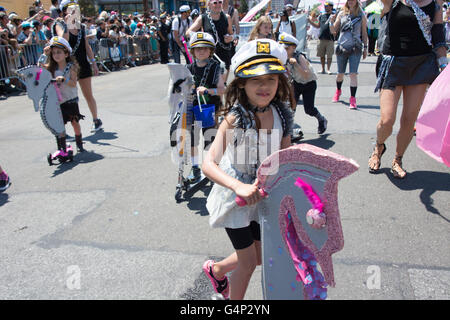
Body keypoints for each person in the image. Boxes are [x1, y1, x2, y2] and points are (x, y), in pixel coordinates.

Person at [201, 39, 294, 300]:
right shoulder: (235, 118)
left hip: (264, 197)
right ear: (241, 83)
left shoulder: (283, 115)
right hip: (236, 199)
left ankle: (216, 269)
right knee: (249, 262)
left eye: (271, 80)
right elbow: (209, 163)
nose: (265, 87)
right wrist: (238, 186)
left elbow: (285, 159)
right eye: (256, 80)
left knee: (260, 256)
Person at [368, 0, 448, 179]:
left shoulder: (435, 4)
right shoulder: (394, 1)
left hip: (420, 65)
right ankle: (379, 146)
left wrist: (443, 62)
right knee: (387, 119)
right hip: (393, 64)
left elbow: (437, 33)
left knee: (409, 119)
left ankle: (398, 159)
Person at [54, 0, 103, 133]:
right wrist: (67, 25)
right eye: (72, 9)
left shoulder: (81, 27)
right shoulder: (59, 24)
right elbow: (62, 41)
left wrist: (94, 63)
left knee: (88, 94)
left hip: (82, 64)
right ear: (65, 11)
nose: (75, 12)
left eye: (76, 9)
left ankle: (96, 120)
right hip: (68, 66)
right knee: (66, 97)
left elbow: (86, 46)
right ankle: (64, 127)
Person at [185, 32, 226, 183]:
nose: (201, 51)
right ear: (192, 51)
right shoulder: (188, 68)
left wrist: (208, 90)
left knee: (210, 138)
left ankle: (213, 167)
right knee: (193, 139)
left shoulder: (216, 67)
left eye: (205, 48)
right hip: (192, 107)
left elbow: (222, 89)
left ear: (211, 51)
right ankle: (195, 167)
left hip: (211, 108)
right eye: (197, 48)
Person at [279, 32, 328, 136]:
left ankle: (322, 120)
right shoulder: (284, 58)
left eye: (287, 49)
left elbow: (306, 74)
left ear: (293, 48)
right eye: (283, 49)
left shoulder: (299, 57)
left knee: (309, 109)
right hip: (296, 84)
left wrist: (296, 64)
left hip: (308, 84)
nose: (285, 51)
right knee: (291, 108)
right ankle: (289, 132)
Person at [44, 36, 85, 153]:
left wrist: (64, 80)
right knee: (59, 125)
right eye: (54, 53)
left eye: (59, 52)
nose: (56, 55)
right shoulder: (51, 67)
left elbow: (73, 83)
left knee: (74, 123)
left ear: (66, 54)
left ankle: (79, 143)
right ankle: (62, 148)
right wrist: (44, 54)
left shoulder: (71, 67)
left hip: (70, 100)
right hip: (57, 102)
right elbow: (39, 67)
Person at [329, 0, 368, 109]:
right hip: (342, 48)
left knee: (353, 74)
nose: (351, 1)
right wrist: (331, 22)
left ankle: (352, 99)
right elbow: (333, 31)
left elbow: (364, 33)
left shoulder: (361, 15)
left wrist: (365, 48)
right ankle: (338, 91)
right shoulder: (341, 14)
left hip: (356, 48)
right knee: (340, 74)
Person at [187, 0, 234, 83]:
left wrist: (231, 38)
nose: (218, 5)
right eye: (215, 3)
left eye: (220, 2)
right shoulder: (203, 18)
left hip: (224, 54)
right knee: (210, 83)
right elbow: (188, 33)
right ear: (209, 4)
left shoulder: (227, 17)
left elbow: (231, 33)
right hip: (209, 54)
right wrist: (201, 38)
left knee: (222, 85)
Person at [308, 2, 335, 74]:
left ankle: (328, 69)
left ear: (331, 7)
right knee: (321, 55)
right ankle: (323, 68)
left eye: (327, 6)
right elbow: (318, 26)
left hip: (330, 38)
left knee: (329, 55)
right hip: (321, 38)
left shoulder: (334, 16)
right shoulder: (321, 16)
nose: (326, 7)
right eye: (325, 6)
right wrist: (310, 22)